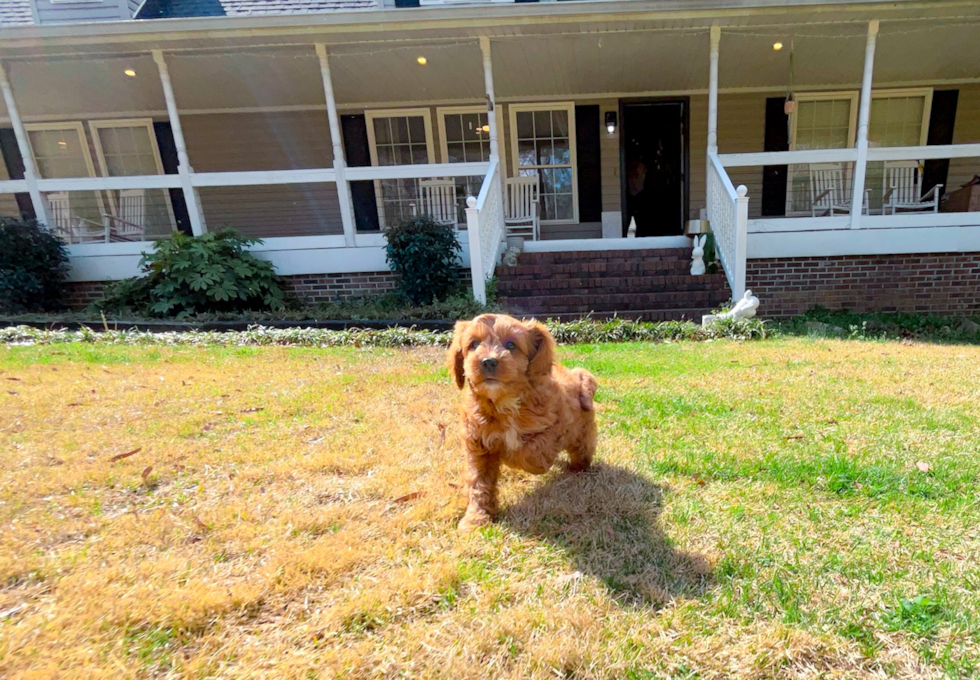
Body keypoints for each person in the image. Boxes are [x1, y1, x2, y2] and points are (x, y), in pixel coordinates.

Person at [624, 156, 647, 237]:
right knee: (628, 219)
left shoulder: (640, 169)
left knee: (640, 220)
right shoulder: (631, 171)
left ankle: (640, 237)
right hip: (632, 196)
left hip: (639, 195)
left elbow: (638, 185)